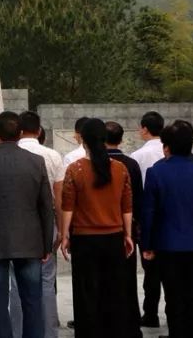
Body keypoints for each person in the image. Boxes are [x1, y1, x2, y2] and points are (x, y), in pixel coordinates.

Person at [0, 111, 54, 338]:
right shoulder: (36, 162)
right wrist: (46, 245)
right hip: (30, 241)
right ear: (21, 134)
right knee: (33, 300)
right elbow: (45, 206)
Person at [140, 120, 193, 338]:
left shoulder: (156, 172)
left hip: (167, 244)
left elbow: (149, 212)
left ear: (167, 146)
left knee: (174, 296)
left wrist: (147, 244)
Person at [59, 118, 135, 338]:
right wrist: (127, 234)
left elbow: (68, 206)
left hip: (84, 239)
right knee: (113, 292)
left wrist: (65, 235)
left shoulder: (76, 169)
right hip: (113, 237)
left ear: (83, 140)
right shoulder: (120, 169)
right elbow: (127, 206)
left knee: (86, 294)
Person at [11, 112, 65, 337]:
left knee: (16, 281)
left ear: (18, 131)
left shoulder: (11, 155)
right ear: (40, 131)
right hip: (45, 221)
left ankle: (18, 330)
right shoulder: (52, 156)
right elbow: (59, 197)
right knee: (45, 279)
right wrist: (62, 229)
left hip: (14, 223)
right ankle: (48, 332)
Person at [105, 121, 143, 338]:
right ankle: (130, 322)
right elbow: (137, 198)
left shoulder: (94, 164)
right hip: (127, 228)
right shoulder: (131, 164)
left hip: (104, 229)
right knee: (127, 280)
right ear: (120, 139)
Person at [129, 110, 165, 329]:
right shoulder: (169, 150)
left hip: (146, 217)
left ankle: (150, 313)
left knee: (150, 269)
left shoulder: (137, 156)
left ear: (144, 129)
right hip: (171, 217)